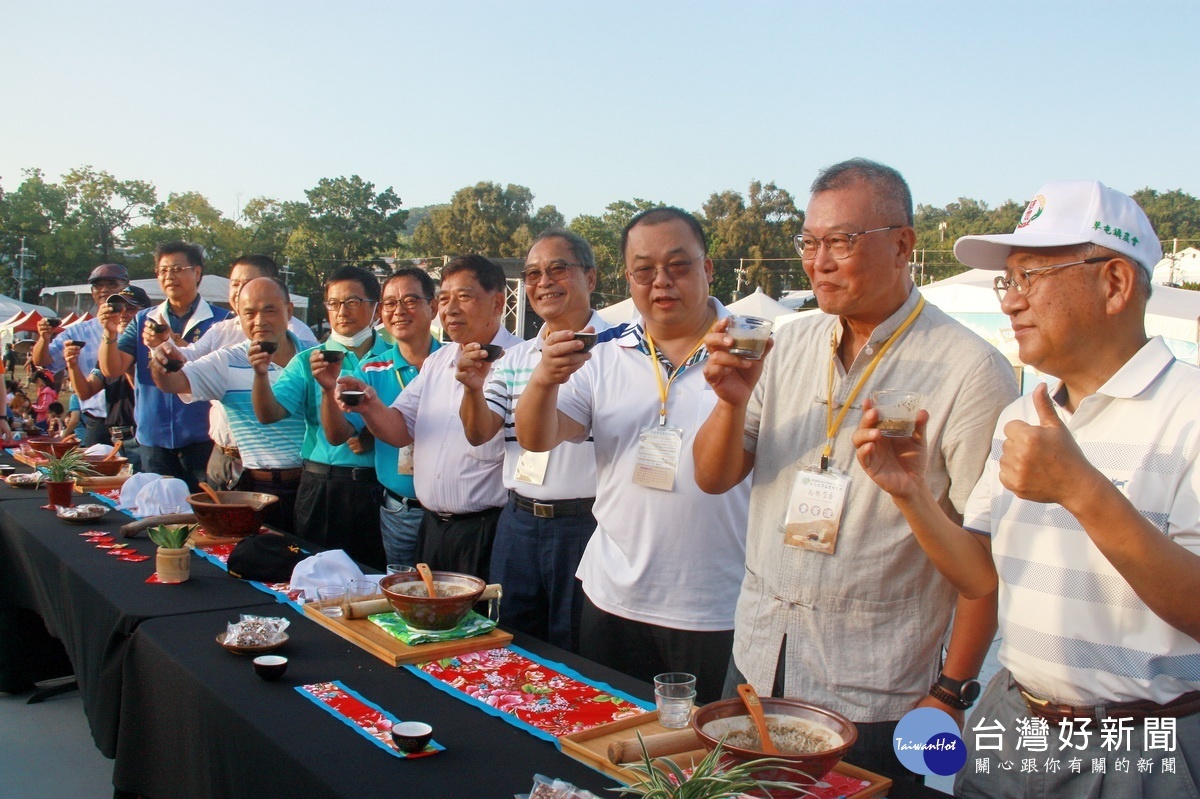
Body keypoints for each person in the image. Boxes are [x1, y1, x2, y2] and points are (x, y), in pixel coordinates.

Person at [855, 180, 1199, 798]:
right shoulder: (1023, 415)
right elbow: (979, 575)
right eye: (1007, 281)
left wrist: (1082, 490)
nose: (1012, 302)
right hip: (1014, 720)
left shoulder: (1190, 412)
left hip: (1144, 741)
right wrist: (911, 494)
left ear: (1115, 283)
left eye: (1031, 275)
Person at [692, 159, 1018, 780]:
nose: (820, 261)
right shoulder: (784, 342)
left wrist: (950, 692)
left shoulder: (969, 369)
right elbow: (713, 477)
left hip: (876, 684)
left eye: (842, 241)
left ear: (903, 245)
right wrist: (729, 403)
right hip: (760, 657)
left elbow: (990, 552)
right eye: (810, 243)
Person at [514, 208, 749, 702]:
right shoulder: (604, 351)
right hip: (613, 592)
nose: (661, 282)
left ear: (708, 269)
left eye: (678, 266)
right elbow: (538, 438)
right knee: (611, 742)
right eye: (644, 270)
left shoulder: (751, 348)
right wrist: (543, 379)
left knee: (700, 763)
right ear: (628, 278)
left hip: (717, 602)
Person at [456, 230, 607, 651]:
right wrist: (470, 387)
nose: (544, 282)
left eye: (558, 269)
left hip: (587, 524)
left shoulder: (620, 348)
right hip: (518, 522)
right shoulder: (516, 357)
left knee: (576, 645)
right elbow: (479, 431)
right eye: (533, 274)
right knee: (509, 639)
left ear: (590, 278)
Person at [332, 255, 521, 581]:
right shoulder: (439, 361)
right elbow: (400, 429)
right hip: (432, 528)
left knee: (480, 627)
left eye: (464, 297)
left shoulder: (521, 360)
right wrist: (369, 403)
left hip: (487, 531)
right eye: (445, 299)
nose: (450, 309)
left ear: (498, 302)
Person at [253, 266, 389, 567]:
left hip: (378, 489)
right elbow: (268, 414)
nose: (342, 311)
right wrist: (261, 375)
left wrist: (372, 432)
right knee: (316, 576)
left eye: (352, 302)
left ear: (375, 307)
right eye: (333, 303)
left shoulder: (394, 358)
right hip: (323, 486)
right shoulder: (308, 361)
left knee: (372, 577)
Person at [152, 277, 307, 532]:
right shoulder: (227, 361)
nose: (260, 320)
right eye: (250, 313)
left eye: (270, 310)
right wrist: (159, 362)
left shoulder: (314, 356)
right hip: (251, 489)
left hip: (309, 486)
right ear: (238, 315)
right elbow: (175, 382)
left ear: (288, 311)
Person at [172, 254, 316, 491]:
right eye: (235, 284)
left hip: (293, 471)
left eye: (248, 283)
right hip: (225, 457)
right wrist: (165, 354)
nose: (240, 291)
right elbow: (183, 367)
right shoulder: (220, 332)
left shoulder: (304, 343)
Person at [98, 241, 232, 491]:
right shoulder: (143, 319)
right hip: (154, 437)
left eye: (178, 268)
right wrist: (109, 333)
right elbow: (111, 370)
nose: (169, 276)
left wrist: (172, 343)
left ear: (198, 273)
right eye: (163, 270)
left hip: (204, 437)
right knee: (158, 510)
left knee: (202, 513)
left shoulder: (222, 321)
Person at [335, 267, 440, 568]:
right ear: (381, 312)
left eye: (410, 300)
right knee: (402, 591)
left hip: (450, 516)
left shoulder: (454, 363)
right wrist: (334, 393)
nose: (399, 311)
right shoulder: (369, 370)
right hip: (399, 509)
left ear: (432, 307)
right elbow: (342, 431)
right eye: (390, 304)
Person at [31, 263, 130, 446]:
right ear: (92, 292)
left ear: (126, 286)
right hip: (96, 421)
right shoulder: (79, 331)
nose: (104, 290)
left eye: (111, 284)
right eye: (98, 286)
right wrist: (44, 338)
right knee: (96, 472)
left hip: (136, 420)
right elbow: (42, 361)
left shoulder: (138, 324)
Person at [68, 286, 150, 473]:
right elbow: (86, 391)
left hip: (141, 437)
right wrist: (72, 364)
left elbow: (147, 394)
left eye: (130, 309)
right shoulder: (110, 351)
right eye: (117, 308)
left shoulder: (152, 348)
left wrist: (126, 367)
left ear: (145, 312)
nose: (122, 314)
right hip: (115, 439)